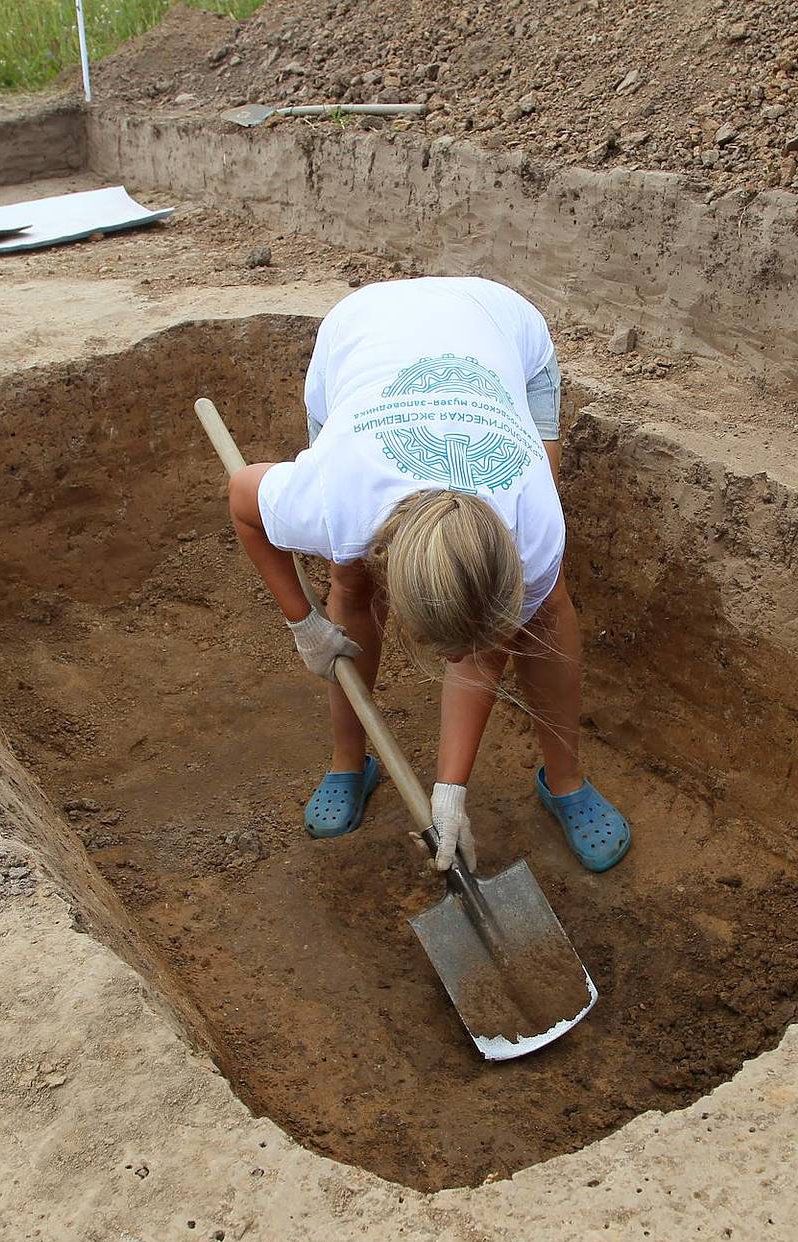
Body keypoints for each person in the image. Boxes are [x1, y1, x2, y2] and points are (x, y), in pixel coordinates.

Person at [227, 276, 630, 874]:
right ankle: (348, 759)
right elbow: (242, 498)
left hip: (500, 324)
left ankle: (565, 778)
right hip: (359, 335)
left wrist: (450, 789)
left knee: (543, 610)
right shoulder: (333, 500)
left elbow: (484, 644)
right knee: (351, 583)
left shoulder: (533, 523)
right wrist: (303, 623)